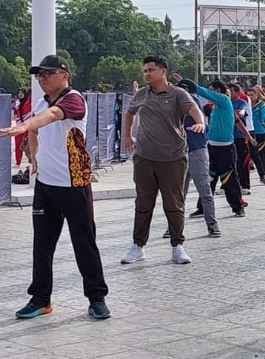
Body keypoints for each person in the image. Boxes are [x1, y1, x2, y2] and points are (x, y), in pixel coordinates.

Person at [0, 55, 110, 319]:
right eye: (39, 75)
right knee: (42, 244)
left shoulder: (73, 99)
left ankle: (96, 298)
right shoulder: (40, 101)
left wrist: (25, 125)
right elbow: (37, 128)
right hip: (46, 185)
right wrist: (34, 157)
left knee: (84, 242)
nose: (42, 78)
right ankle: (40, 299)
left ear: (64, 74)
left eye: (47, 73)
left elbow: (50, 117)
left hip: (73, 184)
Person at [121, 56, 204, 265]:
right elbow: (129, 114)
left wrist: (200, 123)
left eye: (151, 70)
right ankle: (138, 246)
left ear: (163, 71)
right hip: (144, 158)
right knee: (143, 203)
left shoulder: (178, 93)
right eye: (145, 70)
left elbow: (194, 109)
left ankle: (178, 246)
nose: (147, 74)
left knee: (174, 204)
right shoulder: (142, 94)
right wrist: (127, 135)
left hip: (173, 158)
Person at [184, 79, 247, 218]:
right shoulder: (214, 107)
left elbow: (205, 93)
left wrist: (194, 86)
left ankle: (238, 207)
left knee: (229, 179)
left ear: (218, 90)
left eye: (212, 89)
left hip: (226, 149)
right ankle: (202, 208)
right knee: (208, 179)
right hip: (212, 148)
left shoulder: (224, 100)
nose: (210, 93)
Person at [169, 81, 222, 238]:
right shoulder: (173, 105)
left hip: (197, 151)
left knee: (204, 190)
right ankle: (174, 227)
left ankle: (212, 224)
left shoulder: (193, 102)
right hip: (179, 154)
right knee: (178, 194)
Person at [247, 87, 265, 186]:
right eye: (248, 95)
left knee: (260, 155)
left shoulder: (261, 105)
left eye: (252, 95)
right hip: (248, 132)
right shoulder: (245, 104)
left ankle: (263, 175)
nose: (250, 97)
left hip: (260, 132)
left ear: (257, 95)